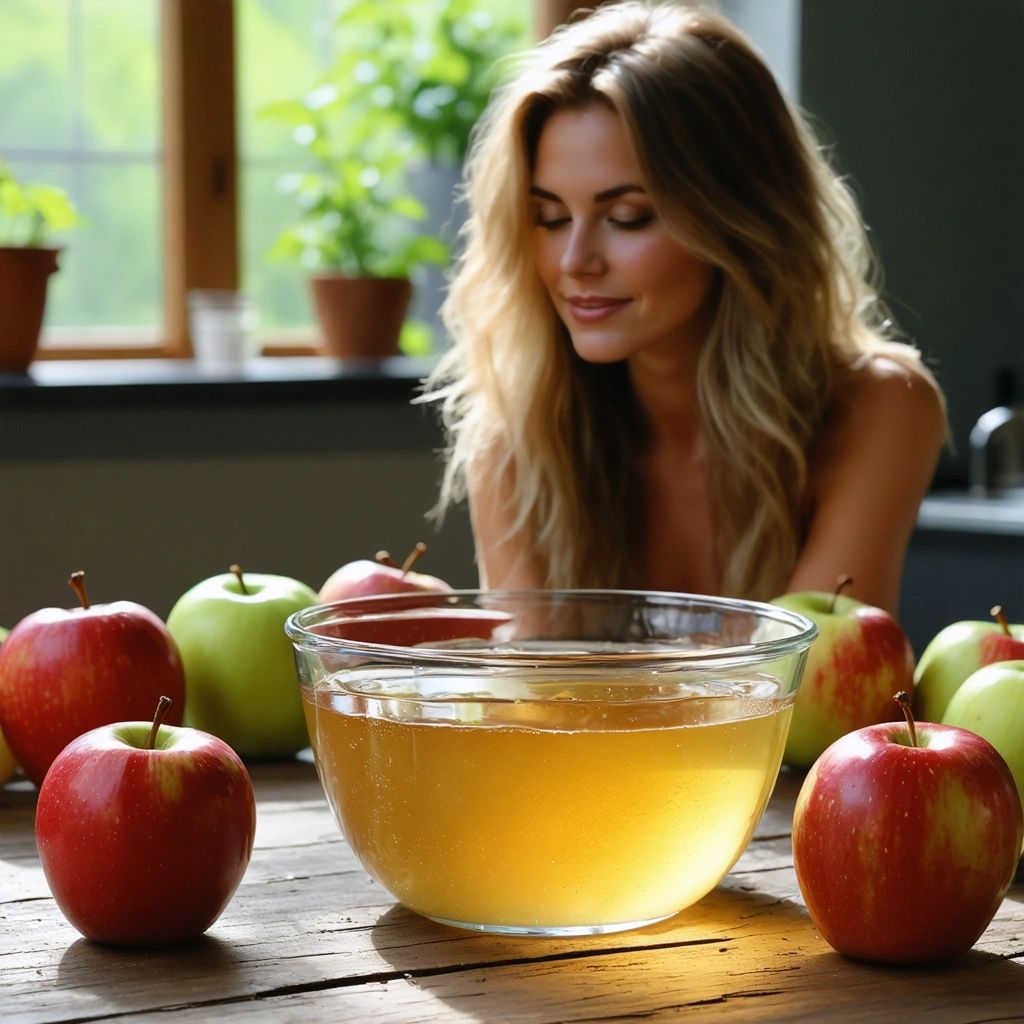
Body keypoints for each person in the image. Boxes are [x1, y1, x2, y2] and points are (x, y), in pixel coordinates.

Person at [421, 0, 946, 615]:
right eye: (551, 218)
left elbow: (813, 695)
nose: (574, 262)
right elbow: (534, 695)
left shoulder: (879, 408)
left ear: (737, 219)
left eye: (627, 217)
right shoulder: (518, 436)